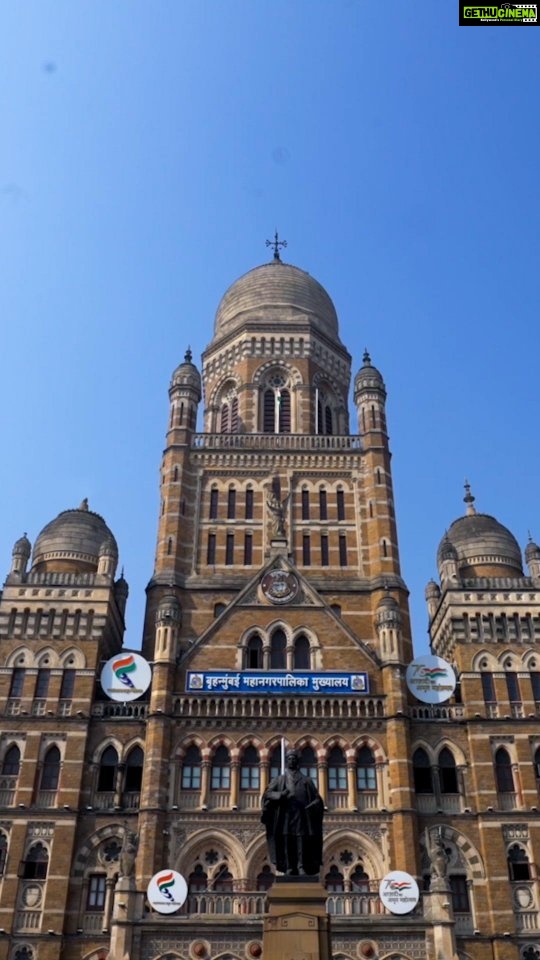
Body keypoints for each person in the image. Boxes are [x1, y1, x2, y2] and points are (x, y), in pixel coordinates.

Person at [261, 749, 324, 877]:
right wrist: (280, 795)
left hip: (302, 816)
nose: (291, 760)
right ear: (287, 761)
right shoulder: (279, 780)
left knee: (301, 841)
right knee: (288, 840)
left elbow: (317, 798)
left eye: (294, 758)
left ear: (297, 761)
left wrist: (314, 805)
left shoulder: (306, 780)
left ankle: (301, 867)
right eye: (289, 758)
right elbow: (267, 794)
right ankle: (290, 867)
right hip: (286, 816)